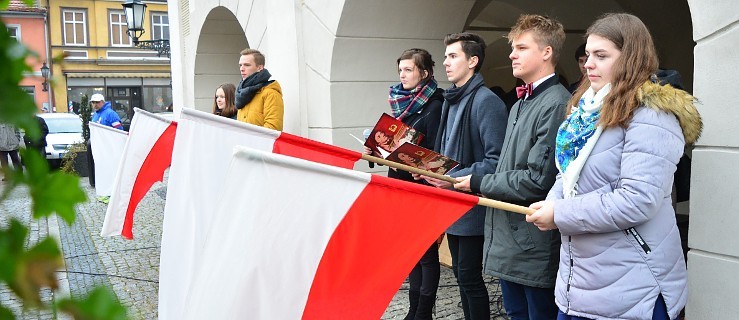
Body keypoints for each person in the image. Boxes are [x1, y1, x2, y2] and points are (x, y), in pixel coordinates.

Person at [523, 13, 700, 320]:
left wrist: (560, 213)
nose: (588, 63)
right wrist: (552, 203)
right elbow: (568, 174)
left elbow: (637, 200)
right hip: (580, 282)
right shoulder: (586, 110)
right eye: (588, 54)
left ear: (631, 58)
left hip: (633, 287)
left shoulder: (651, 116)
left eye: (601, 56)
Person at [453, 14, 570, 320]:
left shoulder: (557, 103)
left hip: (532, 243)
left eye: (521, 48)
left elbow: (536, 180)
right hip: (510, 240)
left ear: (546, 53)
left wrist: (477, 181)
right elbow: (507, 166)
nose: (511, 55)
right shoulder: (519, 103)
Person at [418, 33, 507, 320]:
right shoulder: (450, 99)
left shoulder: (486, 102)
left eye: (453, 56)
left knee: (469, 278)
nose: (446, 62)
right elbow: (444, 153)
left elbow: (497, 162)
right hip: (452, 203)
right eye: (445, 56)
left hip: (473, 206)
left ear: (473, 61)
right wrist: (425, 167)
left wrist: (453, 178)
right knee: (461, 276)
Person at [362, 48, 444, 320]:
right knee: (410, 250)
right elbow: (397, 146)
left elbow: (436, 148)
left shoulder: (436, 105)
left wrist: (408, 155)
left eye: (409, 70)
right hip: (400, 186)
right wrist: (377, 150)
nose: (403, 75)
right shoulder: (403, 104)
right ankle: (413, 310)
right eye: (400, 70)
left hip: (424, 187)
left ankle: (423, 312)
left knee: (426, 253)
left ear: (425, 73)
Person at [235, 48, 284, 130]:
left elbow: (273, 129)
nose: (242, 69)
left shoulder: (271, 94)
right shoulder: (242, 93)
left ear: (260, 67)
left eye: (247, 65)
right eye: (240, 65)